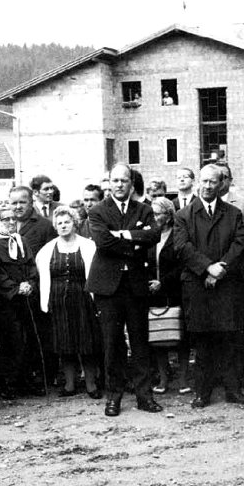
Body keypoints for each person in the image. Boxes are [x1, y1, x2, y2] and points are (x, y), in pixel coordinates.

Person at [86, 163, 163, 417]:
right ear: (109, 183)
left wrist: (124, 234)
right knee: (112, 344)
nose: (119, 185)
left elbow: (153, 235)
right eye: (115, 181)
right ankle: (114, 397)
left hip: (136, 286)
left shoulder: (144, 208)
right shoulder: (98, 210)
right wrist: (135, 239)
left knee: (141, 342)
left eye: (124, 181)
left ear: (132, 184)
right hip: (108, 287)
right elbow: (103, 242)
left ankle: (144, 396)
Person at [174, 164, 244, 408]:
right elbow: (182, 247)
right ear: (198, 182)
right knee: (203, 341)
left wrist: (221, 269)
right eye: (204, 181)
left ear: (221, 185)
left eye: (213, 182)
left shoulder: (233, 213)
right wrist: (208, 267)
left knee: (230, 339)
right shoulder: (184, 215)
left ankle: (233, 389)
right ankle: (202, 392)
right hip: (197, 286)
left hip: (227, 285)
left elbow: (240, 244)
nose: (208, 186)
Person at [36, 206, 101, 398]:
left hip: (83, 299)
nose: (63, 226)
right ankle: (70, 385)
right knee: (64, 343)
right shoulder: (47, 250)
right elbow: (42, 276)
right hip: (58, 301)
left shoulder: (88, 246)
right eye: (59, 223)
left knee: (87, 343)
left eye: (67, 222)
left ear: (75, 224)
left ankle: (91, 385)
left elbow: (95, 273)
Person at [0, 205, 41, 397]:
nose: (11, 222)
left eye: (13, 219)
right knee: (10, 340)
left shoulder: (22, 240)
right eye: (6, 219)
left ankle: (25, 380)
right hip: (6, 300)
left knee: (27, 340)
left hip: (24, 298)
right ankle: (8, 383)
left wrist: (29, 283)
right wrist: (14, 287)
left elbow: (30, 265)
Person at [146, 196, 190, 394]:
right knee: (158, 335)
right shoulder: (150, 235)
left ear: (169, 215)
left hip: (174, 290)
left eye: (158, 213)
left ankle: (183, 379)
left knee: (180, 335)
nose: (155, 217)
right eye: (152, 213)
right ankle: (163, 378)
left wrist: (163, 283)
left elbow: (183, 263)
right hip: (152, 293)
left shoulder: (178, 234)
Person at [10, 185, 57, 257]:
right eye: (14, 203)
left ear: (31, 203)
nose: (18, 207)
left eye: (22, 202)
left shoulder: (46, 226)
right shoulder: (3, 225)